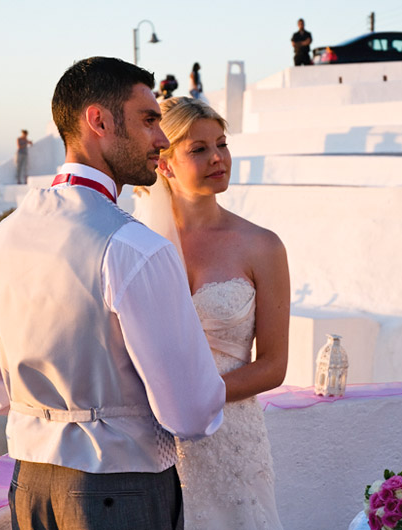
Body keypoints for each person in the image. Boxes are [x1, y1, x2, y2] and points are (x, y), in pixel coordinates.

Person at [0, 57, 226, 530]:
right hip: (118, 488)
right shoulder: (136, 248)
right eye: (149, 120)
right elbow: (190, 412)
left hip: (29, 487)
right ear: (99, 121)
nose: (162, 138)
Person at [135, 97, 290, 529]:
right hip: (149, 443)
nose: (218, 157)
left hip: (232, 440)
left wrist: (196, 400)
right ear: (163, 164)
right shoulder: (136, 244)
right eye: (198, 149)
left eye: (221, 144)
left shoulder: (262, 246)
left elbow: (274, 366)